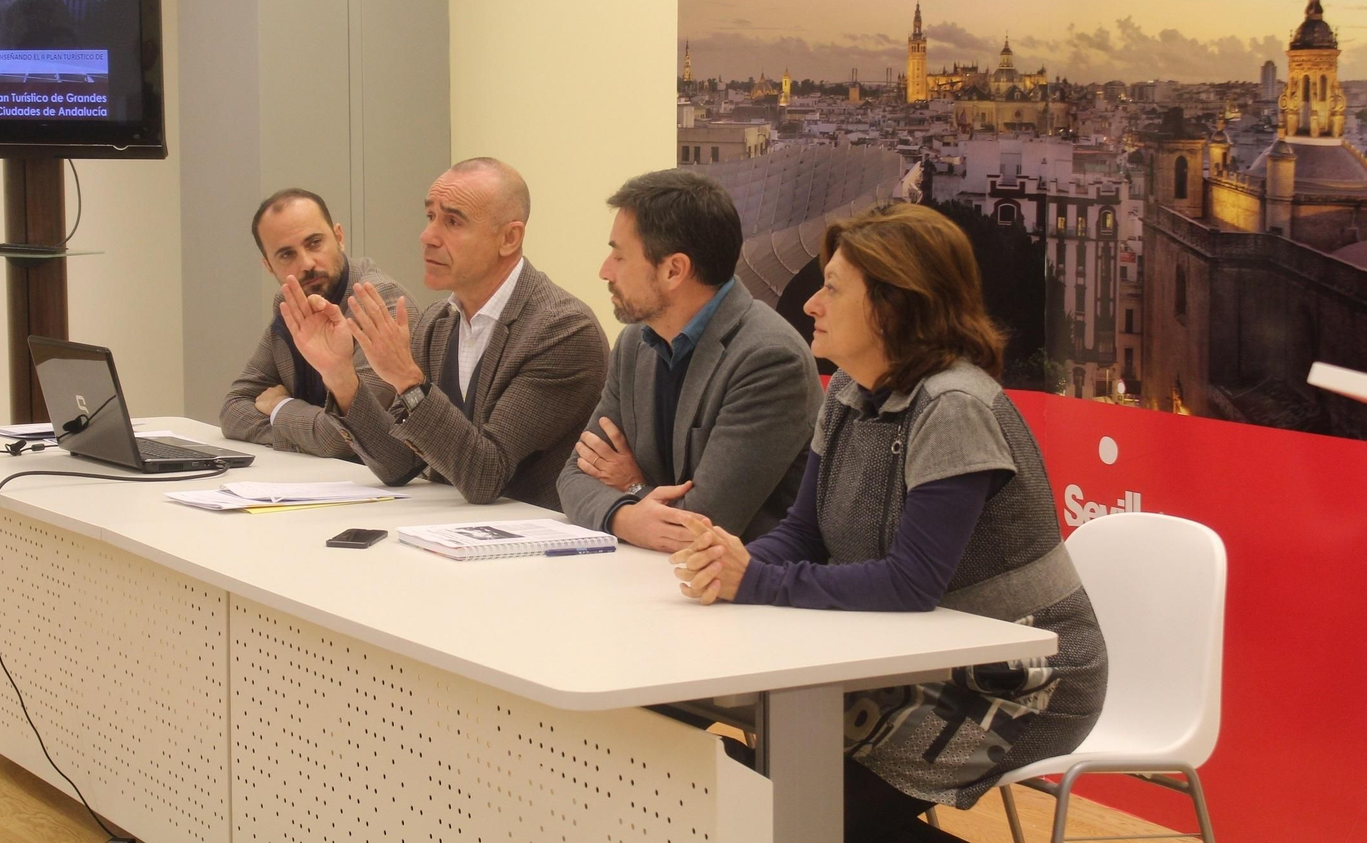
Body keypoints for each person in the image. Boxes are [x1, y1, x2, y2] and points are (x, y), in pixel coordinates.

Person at [670, 202, 1108, 842]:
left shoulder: (953, 406)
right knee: (750, 785)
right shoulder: (848, 390)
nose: (812, 304)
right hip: (916, 657)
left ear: (893, 307)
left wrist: (754, 581)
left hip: (1019, 681)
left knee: (796, 809)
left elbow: (911, 584)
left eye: (833, 289)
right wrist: (732, 559)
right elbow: (806, 533)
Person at [278, 157, 607, 507]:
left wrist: (407, 380)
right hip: (447, 535)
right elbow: (398, 463)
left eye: (453, 221)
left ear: (509, 238)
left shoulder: (562, 330)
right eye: (430, 217)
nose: (427, 236)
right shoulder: (440, 322)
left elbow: (486, 476)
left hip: (537, 545)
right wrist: (339, 374)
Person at [558, 169, 820, 551]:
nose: (604, 271)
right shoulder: (636, 343)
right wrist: (627, 516)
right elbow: (572, 477)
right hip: (654, 575)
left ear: (673, 270)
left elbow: (703, 523)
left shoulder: (769, 358)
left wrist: (632, 486)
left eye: (619, 255)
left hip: (747, 595)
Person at [220, 189, 419, 457]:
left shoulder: (379, 300)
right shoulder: (291, 301)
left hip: (388, 491)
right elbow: (233, 410)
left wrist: (280, 407)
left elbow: (344, 438)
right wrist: (308, 436)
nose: (307, 264)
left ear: (339, 237)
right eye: (287, 255)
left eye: (314, 243)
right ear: (268, 265)